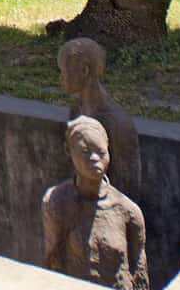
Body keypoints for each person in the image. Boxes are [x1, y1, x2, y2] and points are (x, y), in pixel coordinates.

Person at [41, 115, 149, 290]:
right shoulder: (56, 202)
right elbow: (52, 262)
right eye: (85, 151)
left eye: (100, 152)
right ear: (69, 151)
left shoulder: (128, 211)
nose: (94, 158)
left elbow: (140, 275)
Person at [57, 37, 142, 202]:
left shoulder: (115, 122)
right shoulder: (76, 111)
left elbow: (128, 187)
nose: (61, 78)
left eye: (64, 71)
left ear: (84, 71)